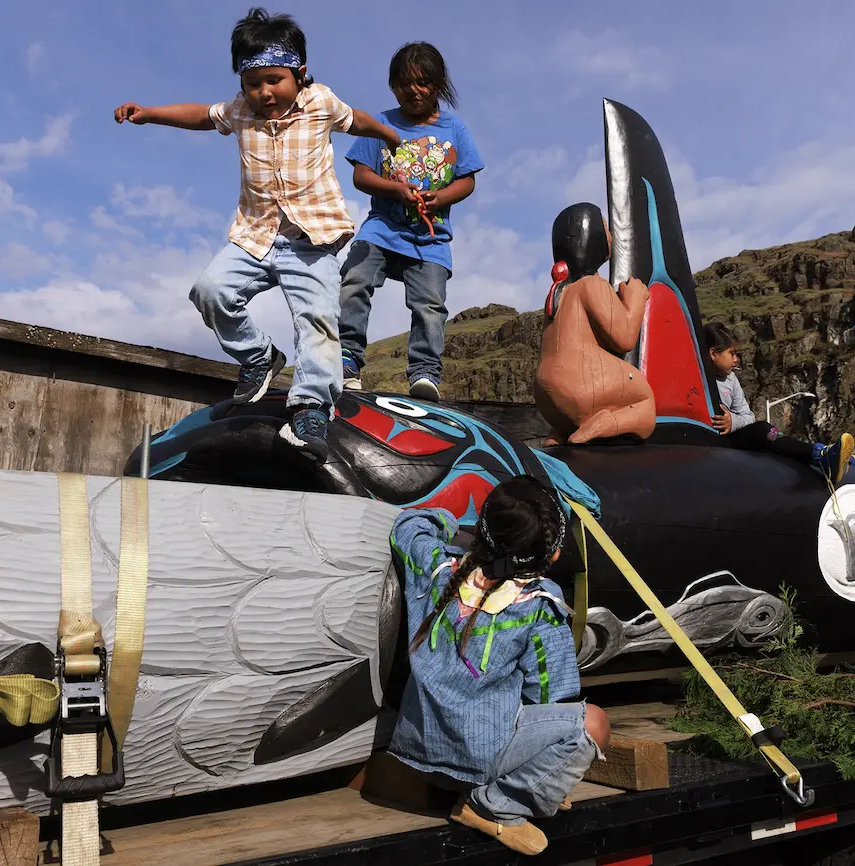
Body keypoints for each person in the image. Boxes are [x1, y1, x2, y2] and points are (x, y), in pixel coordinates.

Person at [114, 7, 399, 460]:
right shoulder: (239, 110)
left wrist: (389, 136)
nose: (264, 93)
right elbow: (200, 116)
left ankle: (310, 408)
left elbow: (358, 120)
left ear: (299, 74)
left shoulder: (321, 101)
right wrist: (149, 113)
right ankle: (259, 357)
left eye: (274, 80)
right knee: (210, 290)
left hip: (311, 242)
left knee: (318, 323)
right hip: (256, 235)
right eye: (252, 83)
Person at [388, 476, 610, 856]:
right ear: (552, 555)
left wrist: (448, 522)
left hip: (418, 751)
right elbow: (553, 694)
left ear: (483, 532)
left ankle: (514, 789)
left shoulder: (437, 567)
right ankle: (494, 805)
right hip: (477, 762)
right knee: (594, 724)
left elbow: (407, 526)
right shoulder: (540, 601)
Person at [338, 42, 484, 401]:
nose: (413, 90)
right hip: (382, 229)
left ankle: (424, 374)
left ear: (438, 85)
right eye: (404, 83)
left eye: (422, 82)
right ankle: (346, 359)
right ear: (392, 85)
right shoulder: (382, 123)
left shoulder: (455, 129)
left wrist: (442, 197)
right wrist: (394, 189)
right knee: (354, 279)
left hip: (430, 238)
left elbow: (468, 179)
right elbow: (361, 176)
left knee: (430, 305)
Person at [534, 203, 656, 444]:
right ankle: (598, 426)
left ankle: (560, 432)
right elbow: (624, 338)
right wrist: (635, 299)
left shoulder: (557, 292)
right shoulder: (592, 285)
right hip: (581, 386)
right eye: (605, 228)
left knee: (572, 402)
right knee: (645, 402)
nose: (610, 235)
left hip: (546, 395)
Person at [703, 323, 855, 485]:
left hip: (733, 438)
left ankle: (845, 461)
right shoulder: (698, 378)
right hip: (712, 445)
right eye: (731, 353)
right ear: (713, 354)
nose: (736, 359)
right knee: (762, 430)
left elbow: (748, 416)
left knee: (770, 435)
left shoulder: (730, 379)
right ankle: (826, 457)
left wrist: (732, 421)